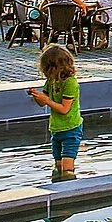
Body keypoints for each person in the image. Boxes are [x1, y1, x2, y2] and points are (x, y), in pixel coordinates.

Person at [27, 44, 82, 179]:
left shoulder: (70, 83)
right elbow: (42, 103)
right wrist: (37, 96)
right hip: (56, 129)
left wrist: (46, 100)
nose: (46, 73)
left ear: (56, 68)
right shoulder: (51, 81)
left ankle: (70, 192)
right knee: (58, 165)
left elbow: (64, 109)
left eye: (47, 70)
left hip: (71, 129)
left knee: (67, 168)